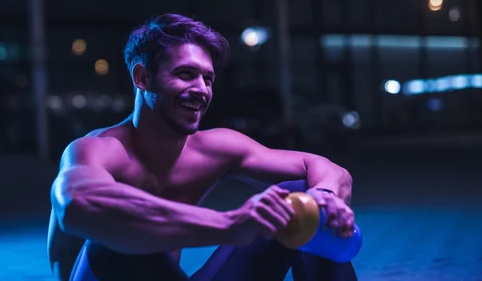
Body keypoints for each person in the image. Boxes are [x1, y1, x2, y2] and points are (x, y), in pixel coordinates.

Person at [48, 14, 357, 280]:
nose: (200, 90)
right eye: (185, 75)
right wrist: (230, 224)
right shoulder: (98, 148)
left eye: (207, 79)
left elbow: (326, 169)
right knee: (110, 240)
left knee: (303, 200)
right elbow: (78, 203)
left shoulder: (213, 147)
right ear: (142, 77)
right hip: (113, 271)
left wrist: (326, 197)